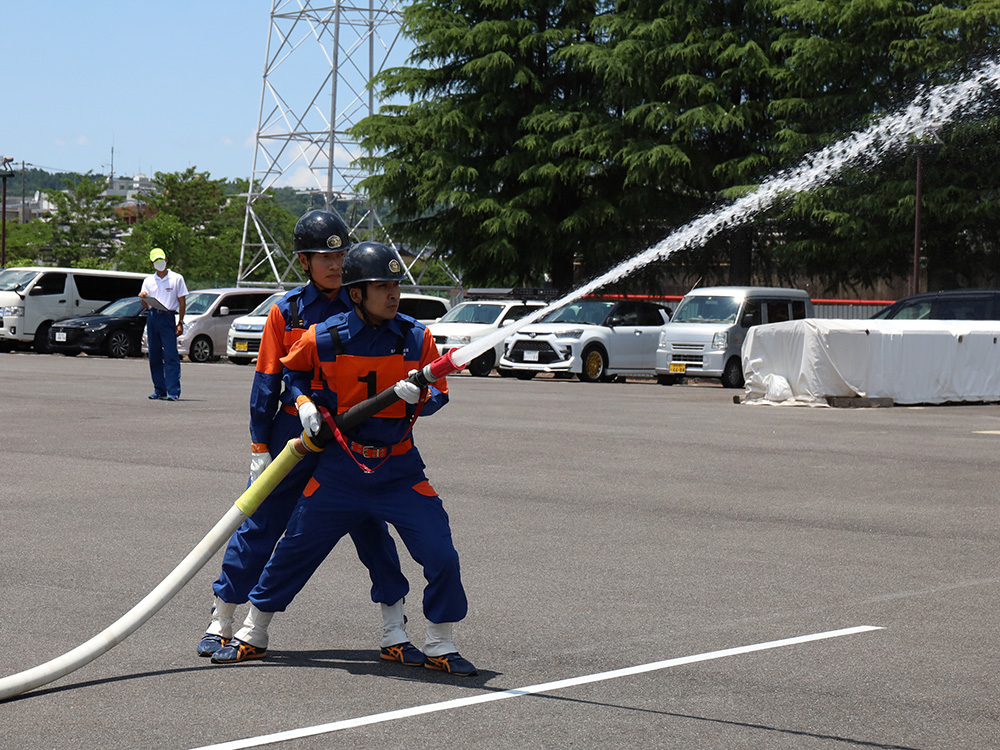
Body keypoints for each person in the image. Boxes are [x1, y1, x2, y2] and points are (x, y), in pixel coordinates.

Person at [212, 241, 476, 676]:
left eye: (396, 285)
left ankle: (440, 643)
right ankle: (252, 632)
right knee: (294, 549)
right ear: (357, 294)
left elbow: (440, 393)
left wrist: (421, 397)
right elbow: (291, 373)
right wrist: (304, 405)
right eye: (381, 286)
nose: (393, 294)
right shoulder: (324, 336)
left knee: (440, 552)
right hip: (340, 468)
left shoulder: (416, 336)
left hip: (398, 468)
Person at [202, 211, 417, 668]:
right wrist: (260, 446)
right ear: (304, 261)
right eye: (325, 256)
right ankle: (222, 618)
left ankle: (394, 626)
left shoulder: (365, 300)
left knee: (370, 528)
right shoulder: (288, 311)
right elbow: (267, 380)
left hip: (348, 437)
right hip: (293, 435)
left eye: (341, 253)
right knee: (261, 525)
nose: (336, 264)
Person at [139, 248, 187, 401]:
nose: (159, 263)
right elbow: (145, 306)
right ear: (152, 264)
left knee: (171, 354)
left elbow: (182, 301)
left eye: (161, 260)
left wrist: (180, 322)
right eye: (156, 261)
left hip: (168, 316)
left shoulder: (176, 278)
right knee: (154, 354)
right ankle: (159, 389)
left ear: (166, 260)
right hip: (153, 317)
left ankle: (173, 390)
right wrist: (144, 297)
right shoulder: (148, 281)